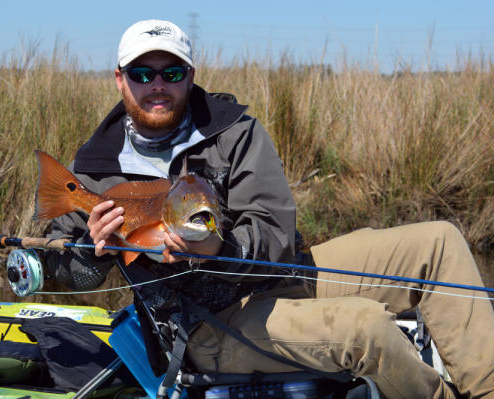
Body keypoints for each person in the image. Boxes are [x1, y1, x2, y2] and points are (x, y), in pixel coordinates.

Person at [44, 19, 494, 399]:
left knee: (438, 243)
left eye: (171, 72)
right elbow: (51, 267)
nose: (157, 84)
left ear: (190, 74)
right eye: (142, 73)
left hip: (284, 273)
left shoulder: (234, 131)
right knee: (367, 329)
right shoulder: (92, 172)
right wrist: (89, 251)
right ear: (120, 78)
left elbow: (275, 228)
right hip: (205, 325)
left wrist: (221, 246)